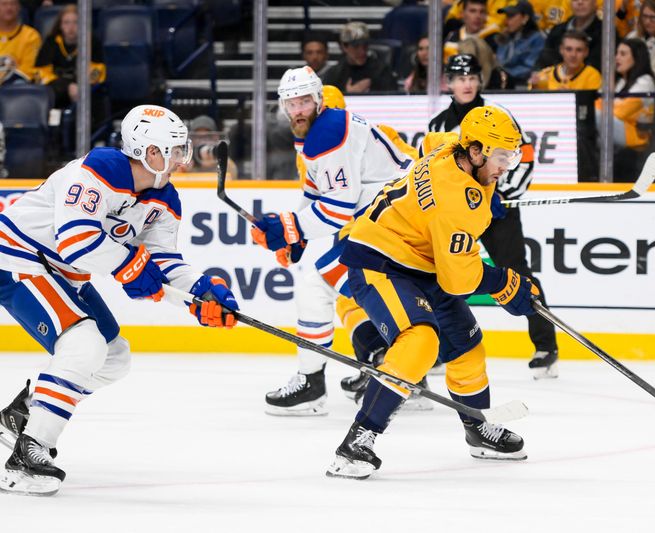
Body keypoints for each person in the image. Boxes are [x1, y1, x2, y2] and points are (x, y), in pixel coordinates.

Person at [0, 104, 240, 496]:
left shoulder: (164, 199)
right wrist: (130, 265)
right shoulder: (100, 169)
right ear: (148, 151)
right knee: (84, 344)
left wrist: (201, 293)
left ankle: (22, 414)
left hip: (63, 273)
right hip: (17, 256)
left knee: (114, 358)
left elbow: (165, 263)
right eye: (175, 150)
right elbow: (76, 243)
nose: (182, 160)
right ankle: (28, 454)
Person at [327, 106, 536, 479]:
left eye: (512, 154)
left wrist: (486, 194)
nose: (507, 164)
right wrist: (504, 283)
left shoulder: (450, 145)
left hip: (423, 264)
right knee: (420, 341)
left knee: (467, 347)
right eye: (502, 156)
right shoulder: (456, 201)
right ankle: (357, 441)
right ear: (476, 152)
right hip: (379, 260)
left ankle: (477, 428)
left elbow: (430, 141)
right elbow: (460, 279)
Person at [253, 67, 414, 416]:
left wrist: (290, 227)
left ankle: (315, 384)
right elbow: (315, 194)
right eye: (291, 102)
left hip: (396, 224)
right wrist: (296, 239)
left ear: (319, 100)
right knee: (347, 289)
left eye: (304, 101)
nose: (298, 109)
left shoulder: (328, 132)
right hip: (386, 220)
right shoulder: (314, 131)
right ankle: (396, 366)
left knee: (317, 286)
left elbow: (339, 207)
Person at [429, 54, 560, 378]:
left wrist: (503, 193)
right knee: (443, 274)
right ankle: (442, 348)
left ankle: (546, 345)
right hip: (459, 214)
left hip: (498, 211)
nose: (467, 84)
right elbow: (436, 170)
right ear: (449, 82)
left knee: (517, 271)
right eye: (460, 78)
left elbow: (523, 156)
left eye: (472, 77)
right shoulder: (438, 125)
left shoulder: (497, 115)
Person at [33, 4, 105, 109]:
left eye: (75, 22)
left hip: (84, 90)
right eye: (66, 23)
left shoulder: (92, 42)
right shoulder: (51, 42)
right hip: (56, 91)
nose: (71, 27)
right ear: (60, 25)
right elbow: (40, 73)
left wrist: (79, 86)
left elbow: (97, 71)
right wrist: (67, 86)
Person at [596, 38, 655, 150]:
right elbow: (598, 103)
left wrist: (604, 105)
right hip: (620, 129)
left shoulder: (645, 82)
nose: (617, 58)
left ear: (636, 58)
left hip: (638, 135)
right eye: (617, 53)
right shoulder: (620, 81)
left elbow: (620, 112)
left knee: (594, 115)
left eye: (623, 54)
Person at [535, 0, 612, 73]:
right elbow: (544, 61)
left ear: (595, 2)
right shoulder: (557, 30)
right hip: (555, 82)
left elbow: (600, 67)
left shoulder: (607, 32)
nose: (580, 2)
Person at [322, 21, 397, 94]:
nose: (362, 51)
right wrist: (349, 95)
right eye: (356, 46)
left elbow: (392, 98)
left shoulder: (381, 71)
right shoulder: (334, 74)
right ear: (344, 47)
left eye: (365, 45)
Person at [529, 30, 601, 90]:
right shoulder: (545, 75)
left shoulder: (592, 75)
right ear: (561, 50)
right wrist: (535, 88)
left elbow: (595, 105)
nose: (573, 55)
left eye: (579, 50)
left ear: (586, 52)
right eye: (568, 49)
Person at [495, 0, 545, 87]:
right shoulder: (506, 36)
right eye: (507, 16)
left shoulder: (537, 39)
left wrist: (504, 74)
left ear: (525, 18)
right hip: (503, 83)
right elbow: (499, 62)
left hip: (523, 86)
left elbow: (529, 68)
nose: (507, 21)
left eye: (511, 16)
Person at [0, 0, 41, 80]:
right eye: (4, 4)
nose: (9, 8)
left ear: (19, 8)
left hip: (16, 86)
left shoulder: (31, 36)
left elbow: (28, 70)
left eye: (13, 4)